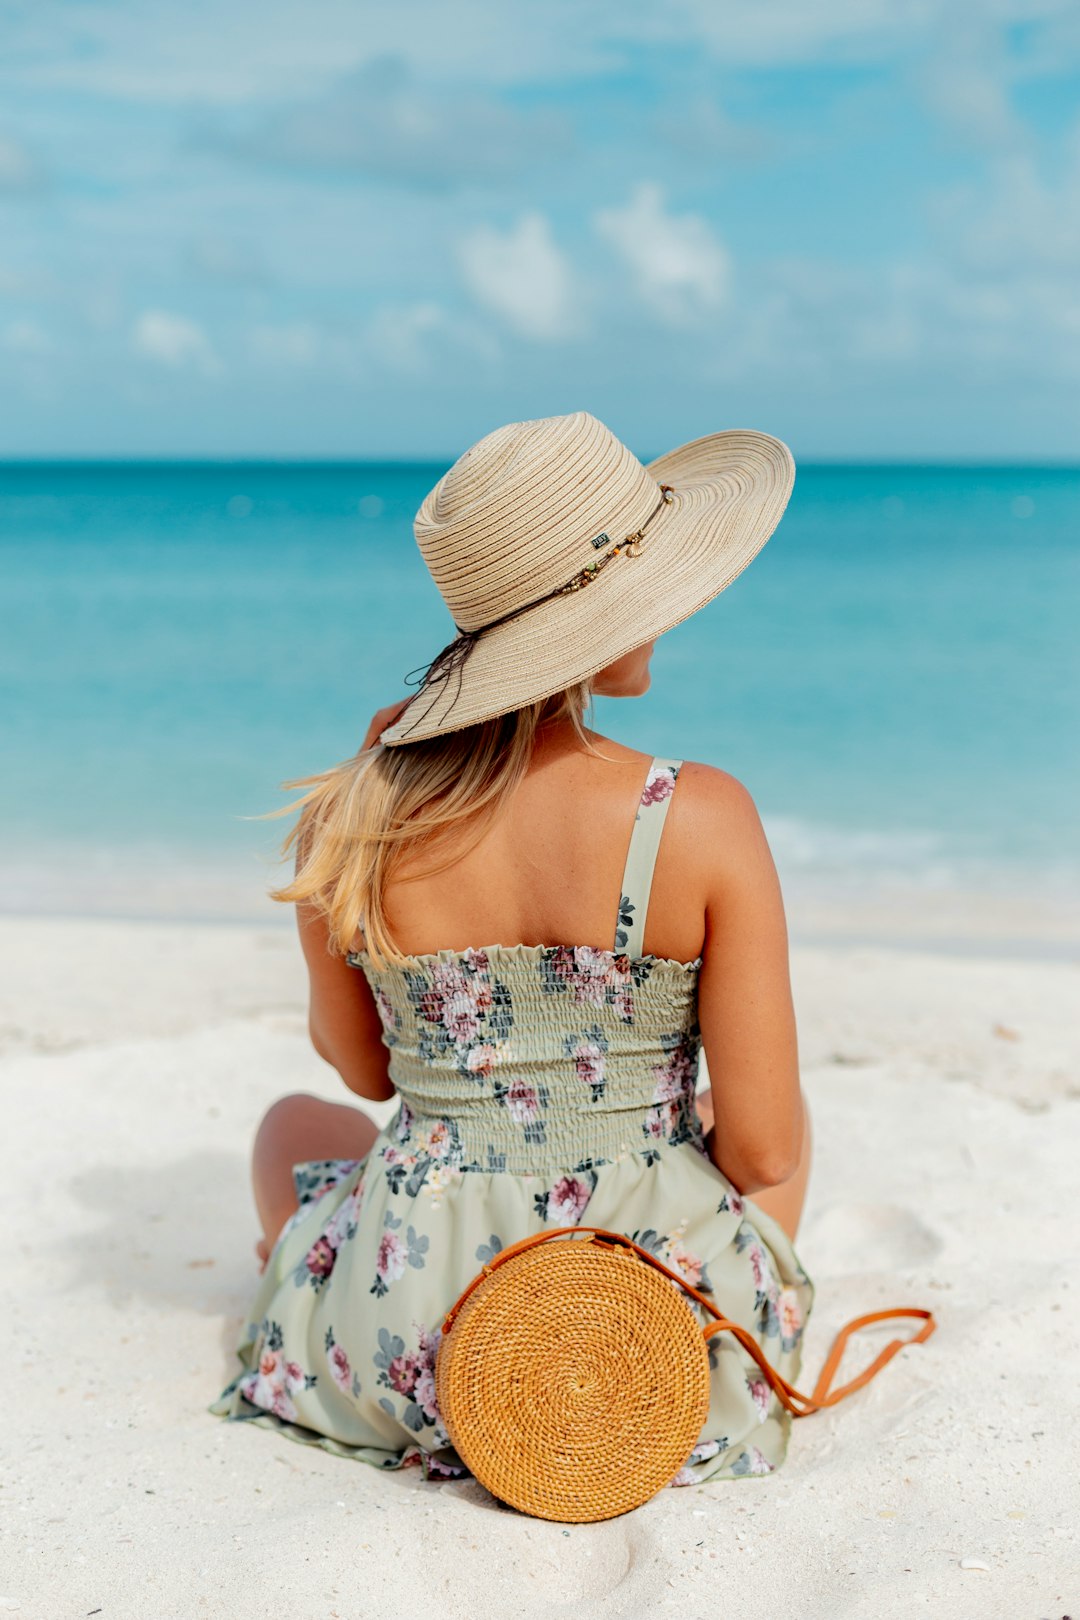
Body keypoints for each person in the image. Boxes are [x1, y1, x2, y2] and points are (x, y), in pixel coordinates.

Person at [210, 409, 815, 1487]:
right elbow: (764, 1156)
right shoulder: (701, 815)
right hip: (646, 1330)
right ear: (604, 613)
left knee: (292, 1129)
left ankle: (339, 1294)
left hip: (415, 1327)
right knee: (774, 1124)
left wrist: (380, 779)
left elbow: (362, 1071)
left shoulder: (351, 818)